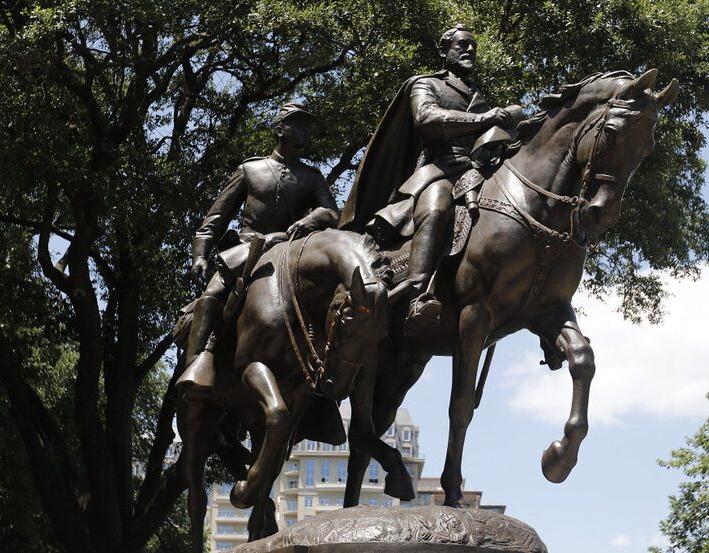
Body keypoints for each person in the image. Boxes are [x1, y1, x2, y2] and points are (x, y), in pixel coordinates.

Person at [339, 24, 521, 328]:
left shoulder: (479, 96)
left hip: (477, 173)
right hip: (439, 171)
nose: (470, 50)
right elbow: (426, 119)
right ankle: (417, 293)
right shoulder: (425, 84)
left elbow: (488, 141)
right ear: (443, 51)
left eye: (473, 47)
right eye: (462, 45)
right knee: (436, 210)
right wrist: (482, 119)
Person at [185, 102, 339, 368]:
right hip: (247, 251)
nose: (305, 131)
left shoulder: (312, 177)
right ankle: (195, 369)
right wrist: (200, 255)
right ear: (280, 129)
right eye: (298, 124)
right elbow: (215, 218)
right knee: (211, 297)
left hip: (290, 252)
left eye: (307, 126)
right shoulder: (250, 170)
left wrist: (311, 218)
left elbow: (332, 213)